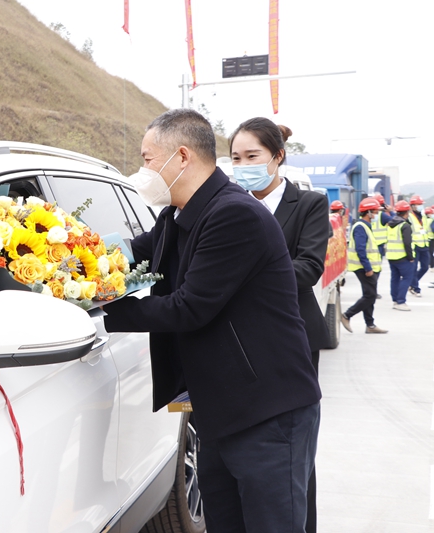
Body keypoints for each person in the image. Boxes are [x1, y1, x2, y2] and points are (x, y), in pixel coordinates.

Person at [103, 109, 321, 533]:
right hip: (220, 410)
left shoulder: (232, 215)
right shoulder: (177, 215)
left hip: (267, 411)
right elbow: (132, 255)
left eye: (148, 159)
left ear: (180, 157)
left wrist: (104, 314)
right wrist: (64, 267)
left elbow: (189, 307)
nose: (143, 169)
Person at [229, 119, 329, 533]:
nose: (243, 165)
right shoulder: (232, 204)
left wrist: (245, 272)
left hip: (294, 338)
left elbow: (308, 267)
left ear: (277, 157)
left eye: (252, 157)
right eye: (236, 158)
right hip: (243, 340)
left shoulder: (308, 204)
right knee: (257, 451)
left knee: (295, 451)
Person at [340, 197, 388, 333]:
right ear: (368, 212)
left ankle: (370, 325)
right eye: (375, 211)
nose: (377, 214)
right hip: (364, 268)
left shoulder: (365, 225)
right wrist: (368, 268)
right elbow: (361, 249)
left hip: (370, 267)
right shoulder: (360, 227)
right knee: (370, 295)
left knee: (369, 295)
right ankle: (347, 315)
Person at [386, 200, 415, 311]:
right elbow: (407, 243)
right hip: (402, 257)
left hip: (391, 256)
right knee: (407, 278)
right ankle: (401, 301)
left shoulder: (391, 224)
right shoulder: (405, 225)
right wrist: (410, 257)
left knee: (395, 278)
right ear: (406, 213)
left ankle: (395, 300)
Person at [407, 195, 429, 296]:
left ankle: (411, 283)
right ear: (412, 206)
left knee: (425, 267)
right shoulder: (409, 217)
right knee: (414, 268)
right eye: (419, 204)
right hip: (415, 245)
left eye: (421, 204)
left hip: (424, 244)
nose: (421, 206)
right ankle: (415, 288)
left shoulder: (423, 216)